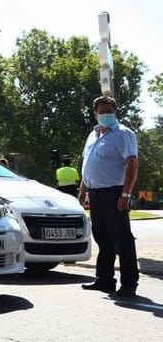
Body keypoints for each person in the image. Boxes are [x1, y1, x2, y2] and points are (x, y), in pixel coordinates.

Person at [78, 95, 139, 297]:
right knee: (102, 238)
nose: (106, 115)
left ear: (115, 112)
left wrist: (126, 194)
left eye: (109, 111)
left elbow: (132, 163)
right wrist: (83, 190)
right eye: (102, 112)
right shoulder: (92, 135)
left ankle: (129, 283)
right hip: (95, 194)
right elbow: (88, 165)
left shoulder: (123, 134)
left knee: (122, 238)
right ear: (95, 114)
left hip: (115, 192)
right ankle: (104, 280)